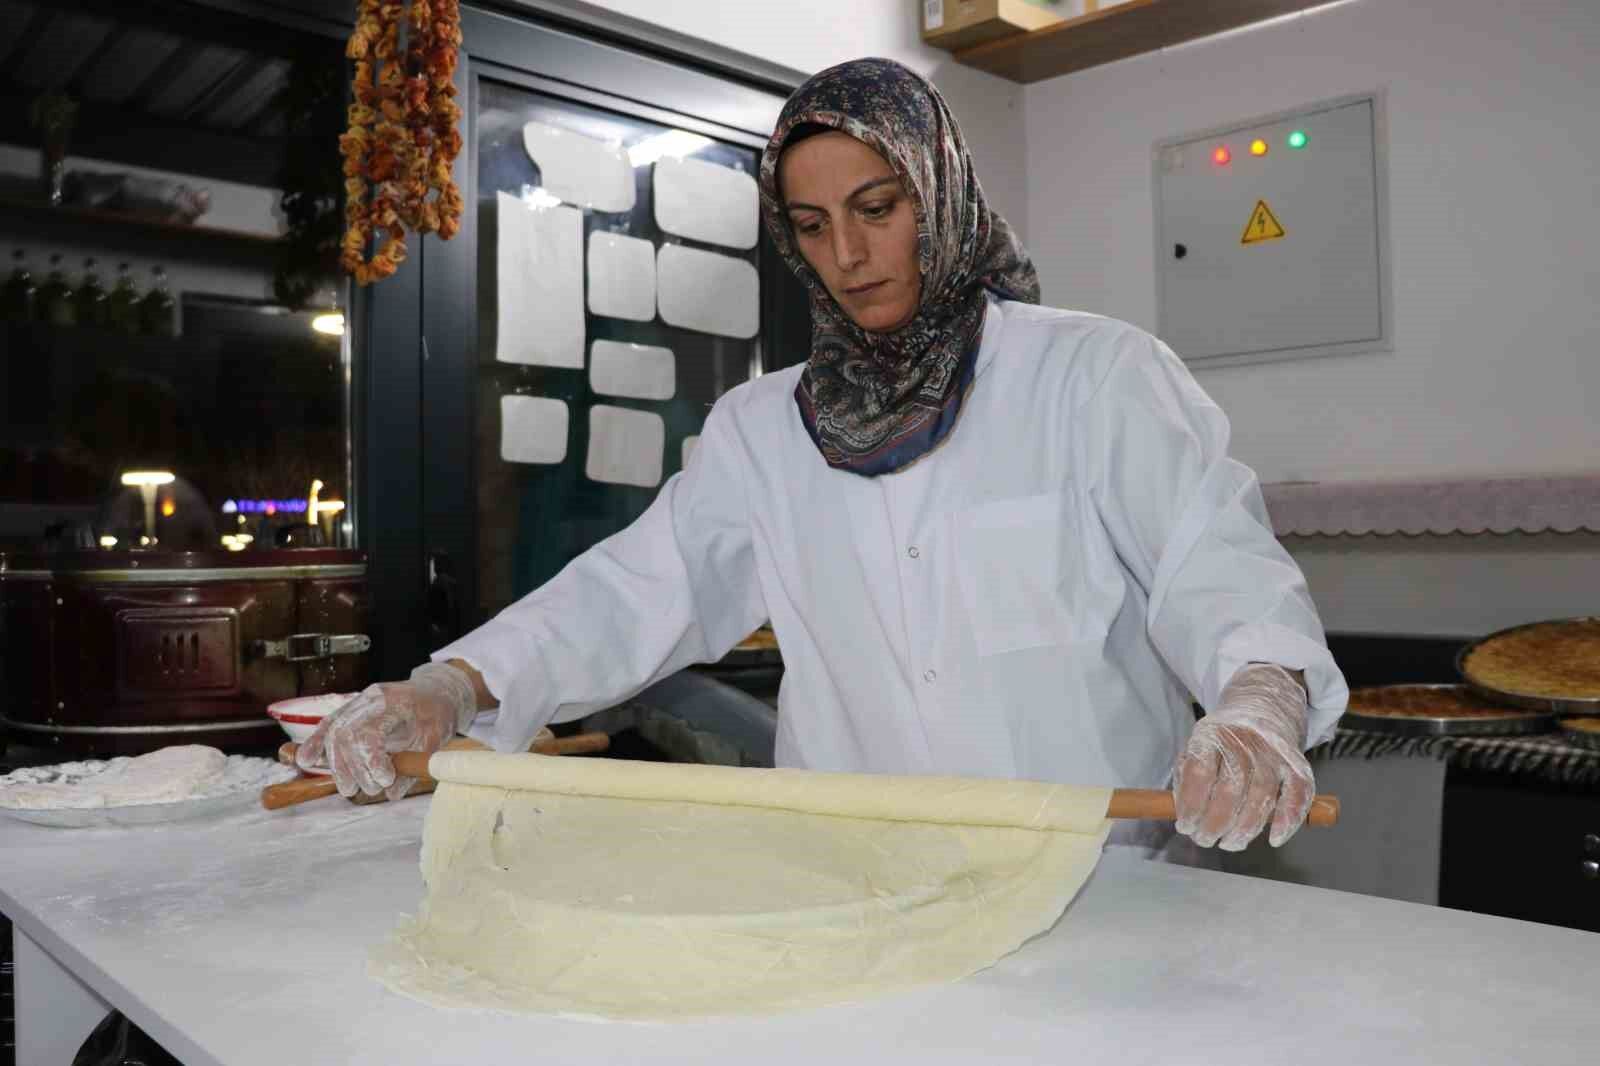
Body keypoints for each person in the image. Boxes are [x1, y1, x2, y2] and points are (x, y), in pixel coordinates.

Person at [299, 58, 1348, 857]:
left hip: (1098, 879)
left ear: (936, 192)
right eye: (809, 225)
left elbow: (1215, 567)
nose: (846, 256)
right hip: (854, 877)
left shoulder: (1092, 375)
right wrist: (453, 684)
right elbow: (634, 589)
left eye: (876, 210)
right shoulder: (765, 428)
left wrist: (1258, 700)